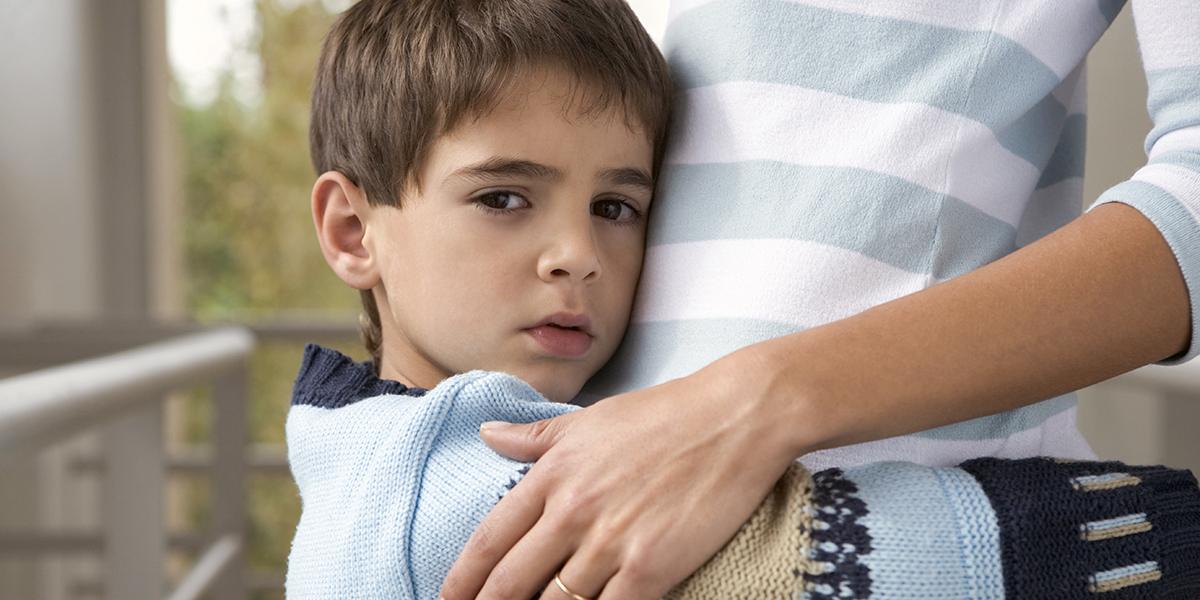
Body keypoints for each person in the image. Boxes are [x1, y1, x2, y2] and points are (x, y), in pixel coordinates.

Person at [287, 0, 1200, 598]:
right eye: (503, 199)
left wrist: (750, 402)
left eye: (617, 208)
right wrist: (1135, 544)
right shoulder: (408, 487)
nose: (579, 256)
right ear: (351, 230)